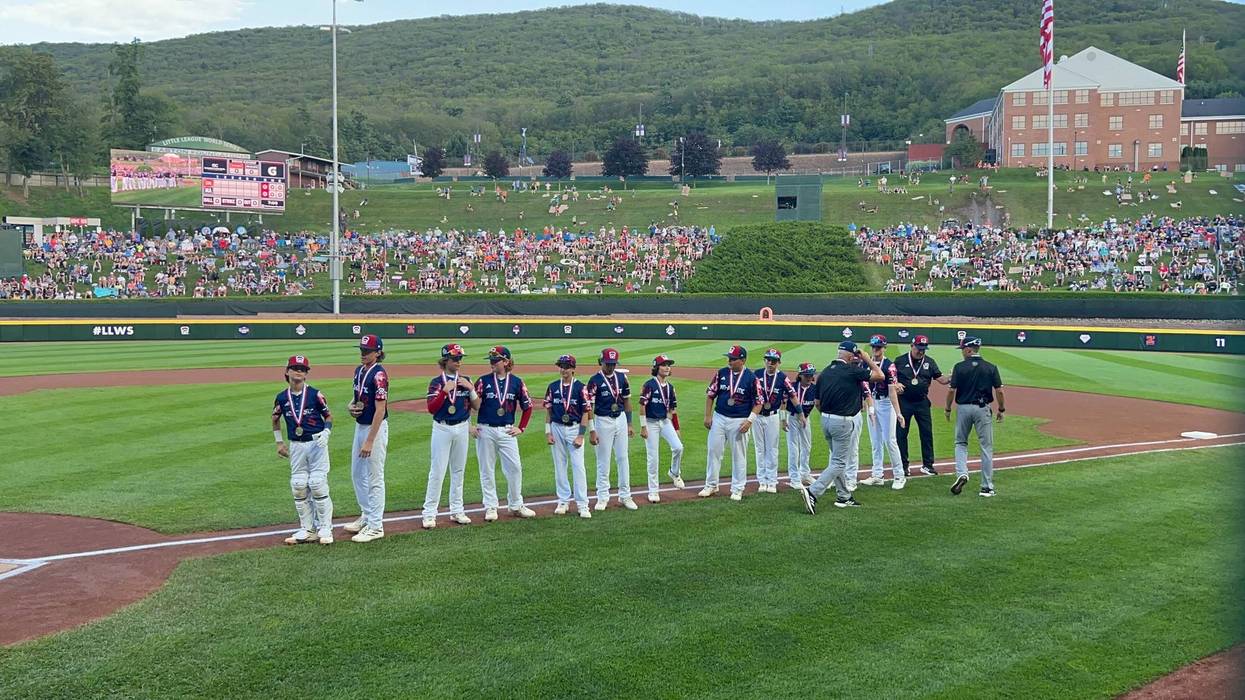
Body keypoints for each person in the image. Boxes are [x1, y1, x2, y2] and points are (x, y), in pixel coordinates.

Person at [800, 341, 883, 514]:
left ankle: (844, 495)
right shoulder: (852, 370)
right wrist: (867, 358)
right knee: (839, 462)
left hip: (825, 420)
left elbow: (817, 403)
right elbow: (880, 375)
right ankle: (813, 492)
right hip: (843, 421)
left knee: (836, 461)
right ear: (852, 355)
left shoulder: (824, 373)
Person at [272, 354, 334, 545]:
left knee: (317, 483)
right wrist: (279, 442)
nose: (298, 372)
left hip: (316, 443)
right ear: (287, 371)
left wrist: (326, 433)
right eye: (295, 368)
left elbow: (329, 417)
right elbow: (275, 419)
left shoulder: (316, 394)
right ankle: (306, 528)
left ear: (306, 374)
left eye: (302, 369)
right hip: (296, 445)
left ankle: (325, 528)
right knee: (298, 485)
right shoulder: (282, 397)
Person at [473, 345, 536, 520]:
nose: (492, 363)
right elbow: (471, 404)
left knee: (515, 468)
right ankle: (491, 506)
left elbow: (528, 406)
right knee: (486, 468)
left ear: (506, 361)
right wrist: (470, 425)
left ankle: (516, 504)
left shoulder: (516, 382)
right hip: (485, 429)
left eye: (495, 360)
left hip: (507, 430)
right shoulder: (483, 381)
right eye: (491, 360)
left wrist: (521, 427)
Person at [422, 343, 480, 529]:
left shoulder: (466, 379)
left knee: (458, 471)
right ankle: (430, 513)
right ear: (445, 360)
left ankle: (457, 510)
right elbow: (431, 409)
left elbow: (477, 406)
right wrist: (444, 391)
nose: (459, 362)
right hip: (442, 427)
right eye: (455, 358)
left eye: (460, 358)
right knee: (437, 471)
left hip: (462, 427)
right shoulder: (436, 382)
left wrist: (471, 389)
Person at [946, 337, 1006, 497]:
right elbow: (999, 390)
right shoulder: (990, 367)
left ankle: (962, 474)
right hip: (982, 408)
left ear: (968, 349)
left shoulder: (959, 367)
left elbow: (951, 390)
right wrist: (1001, 408)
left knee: (960, 442)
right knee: (986, 447)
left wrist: (947, 408)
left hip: (963, 408)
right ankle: (986, 487)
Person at [701, 344, 761, 501]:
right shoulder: (721, 373)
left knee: (739, 455)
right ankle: (711, 485)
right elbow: (710, 395)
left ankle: (738, 488)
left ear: (743, 360)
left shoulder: (751, 378)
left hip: (740, 420)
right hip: (720, 417)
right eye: (729, 358)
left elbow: (759, 402)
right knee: (713, 451)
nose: (730, 361)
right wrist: (708, 416)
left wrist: (749, 421)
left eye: (733, 359)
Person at [345, 334, 389, 543]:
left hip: (375, 429)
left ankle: (376, 526)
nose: (363, 354)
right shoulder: (359, 371)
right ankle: (367, 514)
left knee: (374, 476)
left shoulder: (379, 375)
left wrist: (370, 440)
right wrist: (350, 406)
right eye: (362, 350)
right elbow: (358, 397)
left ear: (378, 352)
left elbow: (381, 409)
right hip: (360, 425)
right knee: (356, 473)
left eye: (368, 351)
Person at [587, 348, 637, 511]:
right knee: (603, 460)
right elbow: (590, 407)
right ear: (601, 362)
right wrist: (592, 429)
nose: (611, 367)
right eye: (608, 363)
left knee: (623, 458)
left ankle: (625, 496)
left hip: (620, 418)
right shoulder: (594, 380)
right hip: (603, 420)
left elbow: (627, 401)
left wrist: (629, 423)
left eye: (613, 364)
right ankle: (602, 497)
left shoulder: (622, 378)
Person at [544, 353, 593, 518]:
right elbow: (549, 410)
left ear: (573, 369)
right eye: (561, 366)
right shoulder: (552, 387)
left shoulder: (581, 387)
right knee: (560, 465)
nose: (563, 370)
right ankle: (563, 500)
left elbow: (586, 412)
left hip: (574, 428)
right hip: (556, 427)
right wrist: (547, 432)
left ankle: (582, 504)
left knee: (578, 466)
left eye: (566, 366)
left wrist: (581, 435)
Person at [893, 334, 949, 477]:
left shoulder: (929, 362)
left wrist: (952, 378)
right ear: (911, 346)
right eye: (918, 348)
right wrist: (895, 384)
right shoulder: (900, 361)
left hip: (922, 402)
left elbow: (940, 379)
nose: (921, 351)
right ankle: (903, 466)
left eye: (924, 349)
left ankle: (928, 465)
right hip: (904, 402)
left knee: (926, 433)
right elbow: (891, 379)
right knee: (901, 434)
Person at [860, 335, 908, 490]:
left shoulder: (889, 365)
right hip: (872, 402)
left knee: (890, 440)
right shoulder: (866, 364)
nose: (875, 350)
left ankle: (899, 475)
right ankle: (877, 474)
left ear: (884, 348)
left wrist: (898, 412)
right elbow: (863, 386)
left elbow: (892, 391)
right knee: (875, 441)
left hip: (886, 403)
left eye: (879, 347)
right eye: (874, 347)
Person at [639, 354, 684, 503]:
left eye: (668, 365)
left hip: (665, 422)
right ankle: (653, 491)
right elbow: (642, 406)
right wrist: (643, 426)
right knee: (653, 457)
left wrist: (676, 427)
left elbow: (673, 409)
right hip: (651, 423)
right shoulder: (649, 385)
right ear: (656, 367)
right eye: (664, 365)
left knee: (678, 447)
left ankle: (674, 472)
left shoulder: (670, 387)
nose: (667, 367)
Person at [752, 348, 795, 493]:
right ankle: (762, 481)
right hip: (757, 416)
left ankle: (772, 481)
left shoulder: (783, 377)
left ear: (779, 363)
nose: (770, 363)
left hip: (773, 415)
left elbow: (791, 396)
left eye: (774, 361)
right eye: (768, 360)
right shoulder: (756, 374)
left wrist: (799, 413)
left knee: (772, 449)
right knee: (759, 449)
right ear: (764, 360)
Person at [784, 362, 817, 489]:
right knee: (793, 447)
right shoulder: (792, 386)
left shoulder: (814, 388)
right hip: (792, 417)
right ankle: (794, 477)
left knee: (807, 446)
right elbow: (783, 402)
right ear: (800, 375)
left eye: (811, 375)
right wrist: (783, 419)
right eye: (806, 375)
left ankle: (805, 474)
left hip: (806, 419)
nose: (809, 377)